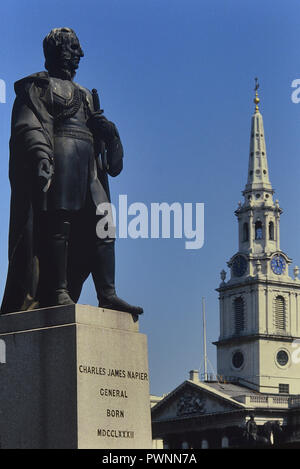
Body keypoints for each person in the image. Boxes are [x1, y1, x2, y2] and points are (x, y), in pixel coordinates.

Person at [1, 27, 143, 316]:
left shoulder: (86, 95)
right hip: (62, 157)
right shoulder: (37, 88)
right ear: (55, 51)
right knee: (59, 224)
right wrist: (41, 154)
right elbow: (28, 126)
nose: (79, 54)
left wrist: (110, 133)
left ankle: (108, 292)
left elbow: (105, 145)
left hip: (89, 165)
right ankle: (58, 289)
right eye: (73, 48)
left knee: (104, 224)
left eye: (78, 49)